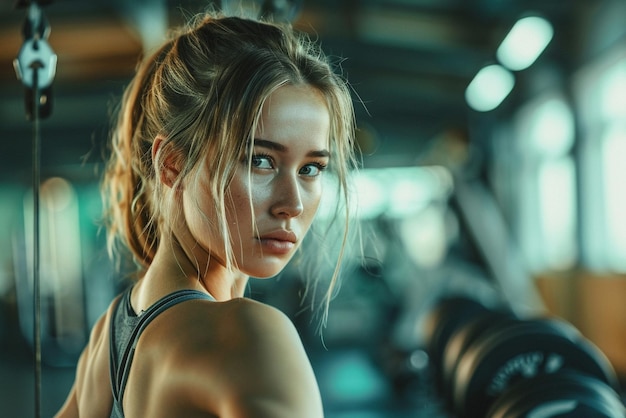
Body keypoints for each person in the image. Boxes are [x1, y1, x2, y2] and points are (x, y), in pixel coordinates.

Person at [55, 10, 358, 418]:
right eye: (260, 161)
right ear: (172, 165)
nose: (293, 203)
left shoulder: (107, 340)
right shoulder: (248, 338)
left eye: (310, 169)